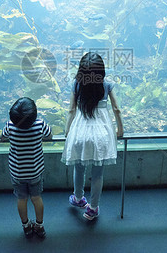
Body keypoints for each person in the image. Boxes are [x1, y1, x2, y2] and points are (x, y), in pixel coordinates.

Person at [61, 52, 124, 220]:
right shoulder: (108, 85)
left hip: (80, 131)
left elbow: (71, 110)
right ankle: (93, 208)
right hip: (101, 134)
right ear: (101, 71)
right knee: (98, 174)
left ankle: (79, 198)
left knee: (79, 167)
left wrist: (68, 132)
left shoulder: (76, 84)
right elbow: (117, 109)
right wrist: (120, 130)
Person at [1, 97, 52, 238]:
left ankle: (26, 226)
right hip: (35, 172)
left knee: (21, 199)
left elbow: (2, 138)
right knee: (36, 197)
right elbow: (49, 136)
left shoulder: (10, 126)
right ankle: (39, 225)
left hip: (17, 173)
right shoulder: (39, 124)